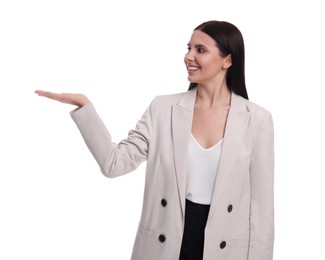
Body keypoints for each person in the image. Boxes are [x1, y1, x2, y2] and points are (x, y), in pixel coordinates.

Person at [35, 20, 274, 260]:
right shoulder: (163, 109)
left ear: (227, 60)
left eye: (200, 50)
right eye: (188, 48)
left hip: (225, 248)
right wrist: (84, 107)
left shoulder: (257, 120)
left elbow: (262, 211)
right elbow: (114, 164)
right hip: (166, 243)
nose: (188, 56)